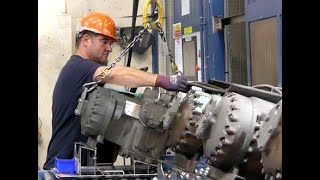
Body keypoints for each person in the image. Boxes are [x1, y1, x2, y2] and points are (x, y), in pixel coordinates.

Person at [43, 12, 189, 170]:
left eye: (111, 43)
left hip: (82, 168)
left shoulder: (86, 76)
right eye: (104, 42)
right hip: (63, 169)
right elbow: (116, 74)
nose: (109, 48)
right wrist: (162, 80)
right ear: (86, 40)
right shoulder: (77, 68)